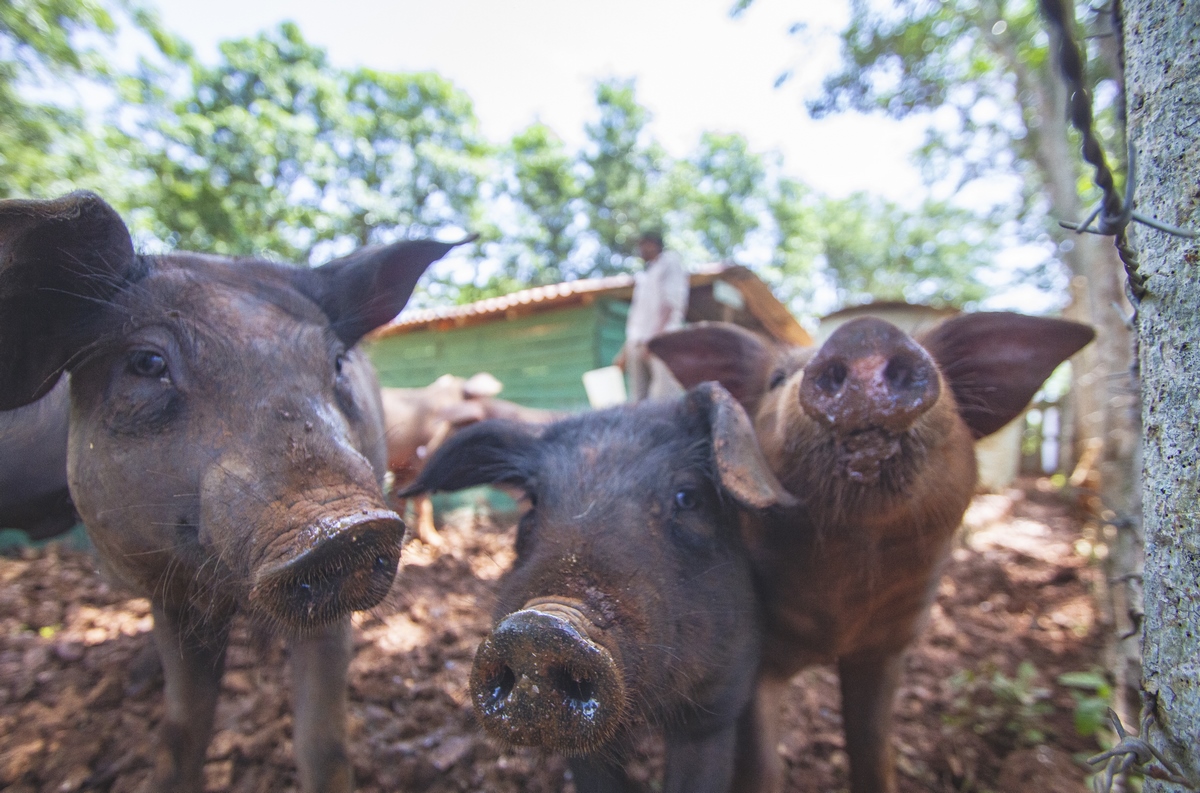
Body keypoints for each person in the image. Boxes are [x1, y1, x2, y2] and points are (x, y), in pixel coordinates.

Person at [614, 230, 689, 401]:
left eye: (643, 245)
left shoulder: (669, 261)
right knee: (638, 399)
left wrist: (655, 340)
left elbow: (669, 304)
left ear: (654, 244)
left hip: (662, 340)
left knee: (664, 397)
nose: (640, 250)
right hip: (638, 343)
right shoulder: (645, 276)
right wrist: (624, 352)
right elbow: (637, 318)